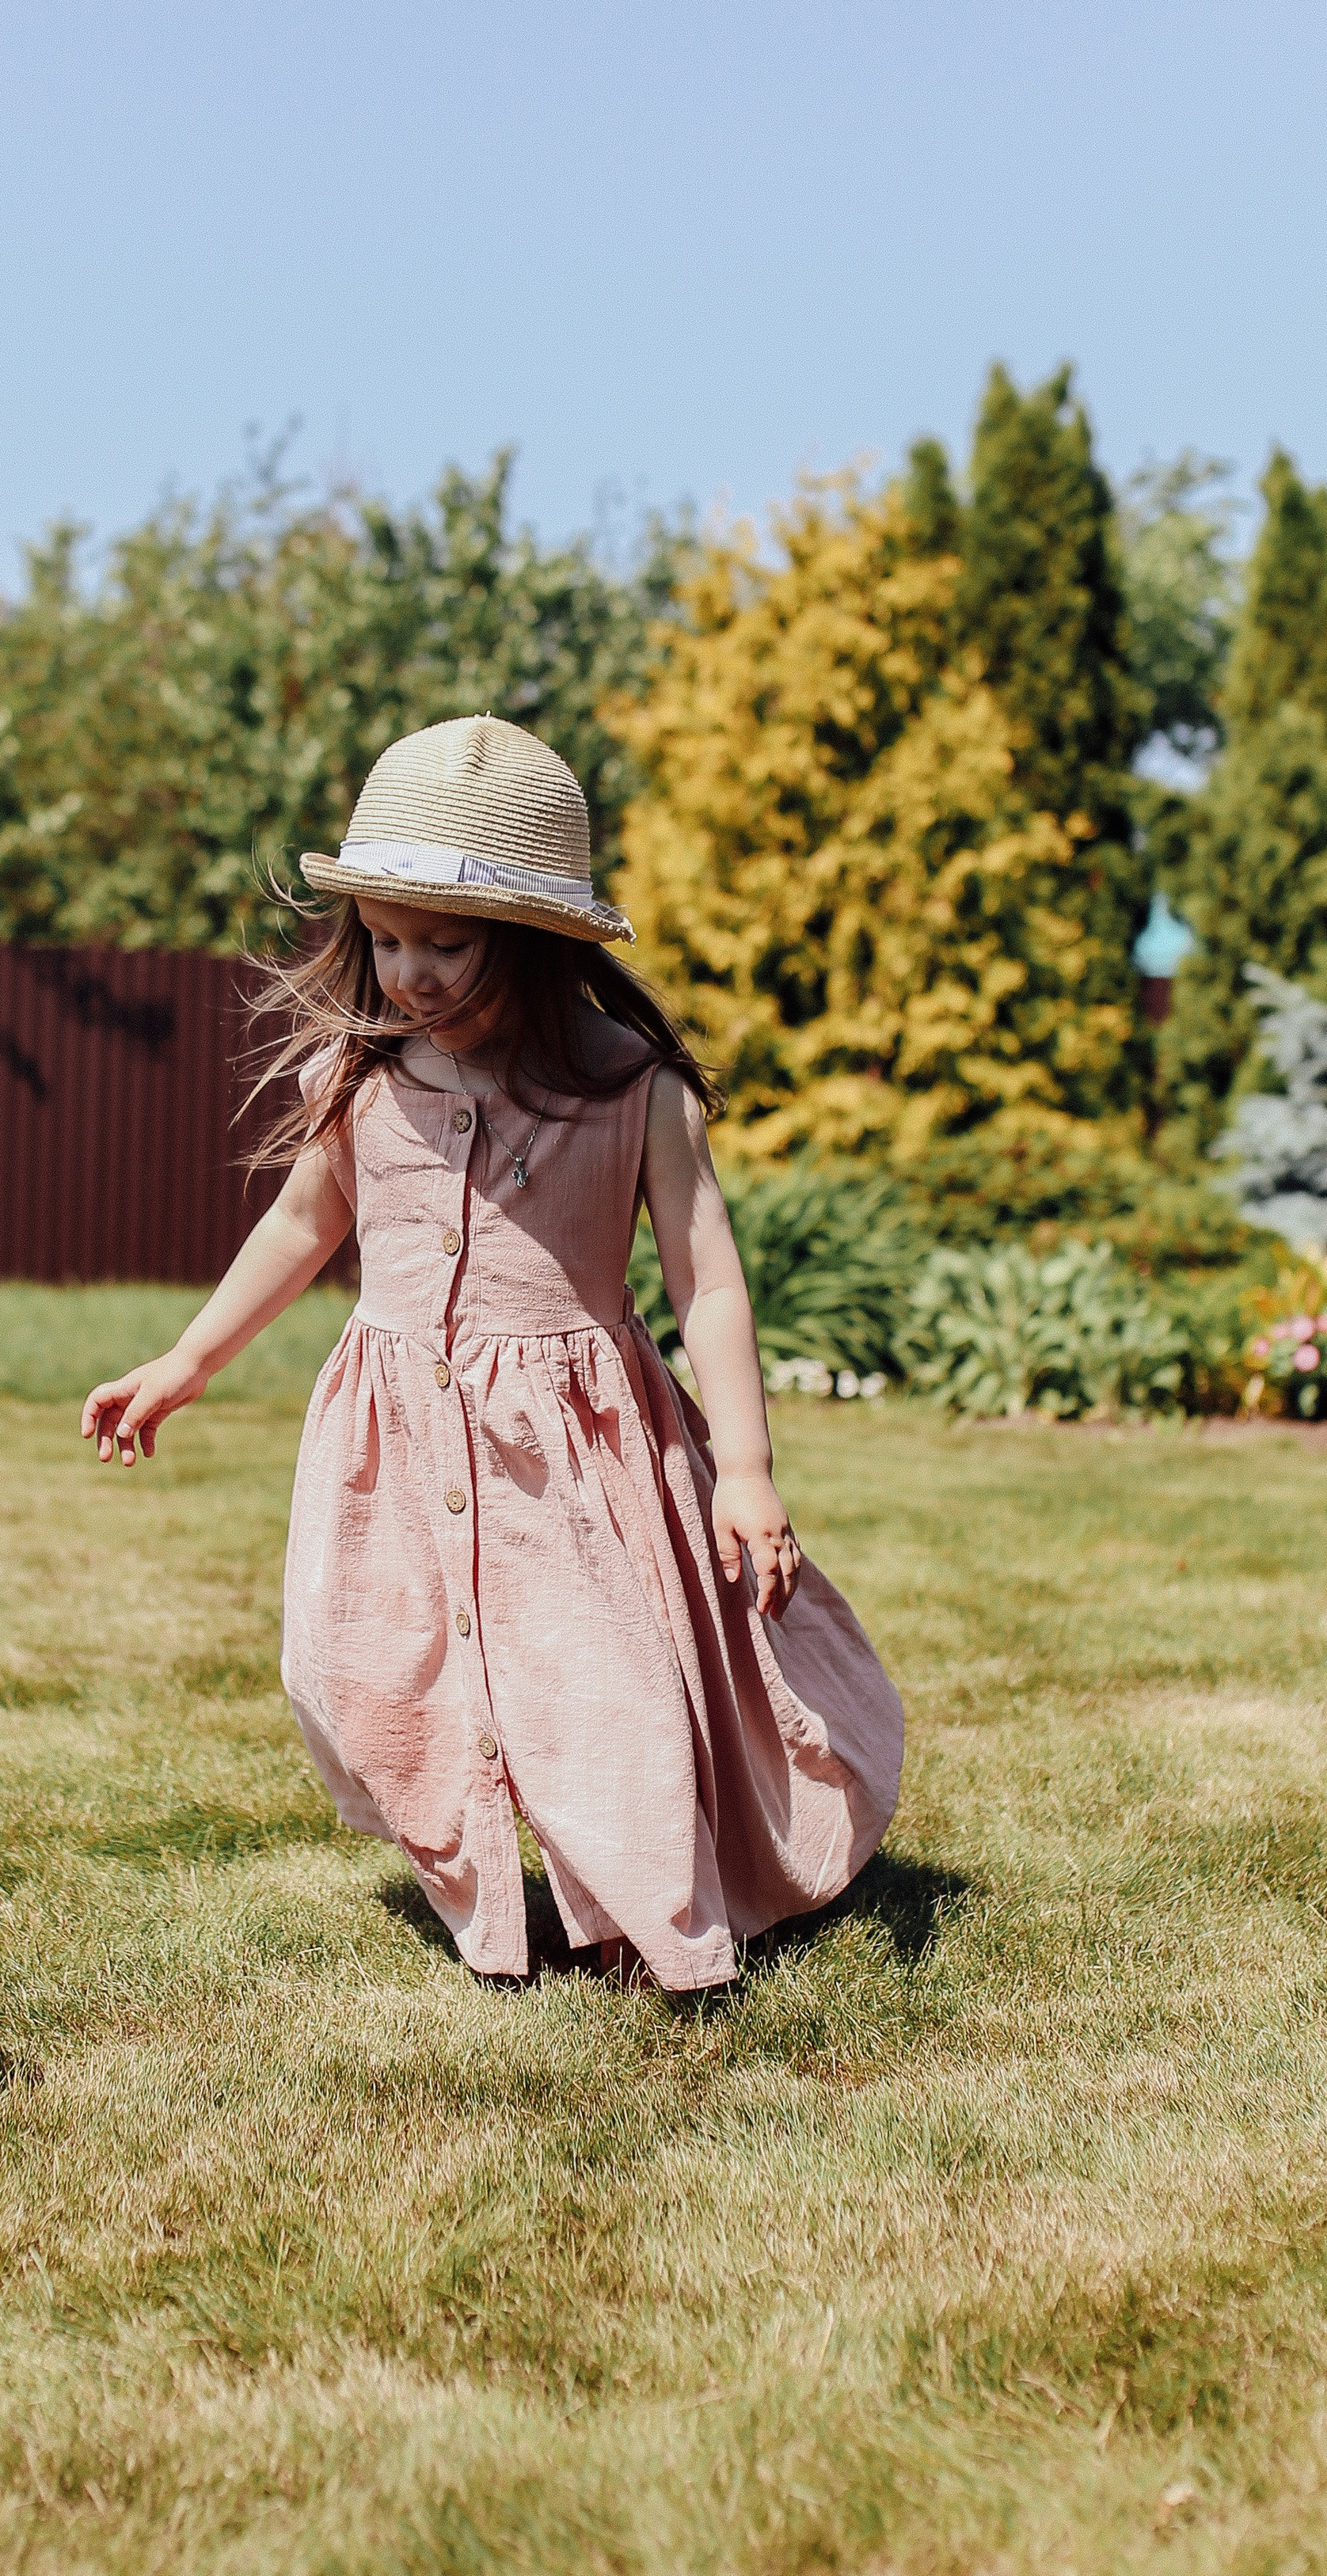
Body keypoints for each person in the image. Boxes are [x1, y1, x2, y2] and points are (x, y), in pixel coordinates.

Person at [82, 714, 903, 1991]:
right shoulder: (359, 1077)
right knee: (363, 1670)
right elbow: (300, 1226)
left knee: (601, 1690)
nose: (408, 973)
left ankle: (648, 1916)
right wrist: (185, 1364)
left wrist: (745, 1470)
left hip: (573, 1453)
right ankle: (474, 1879)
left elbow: (710, 1280)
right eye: (384, 939)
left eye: (446, 944)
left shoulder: (635, 1091)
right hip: (396, 1442)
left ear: (532, 939)